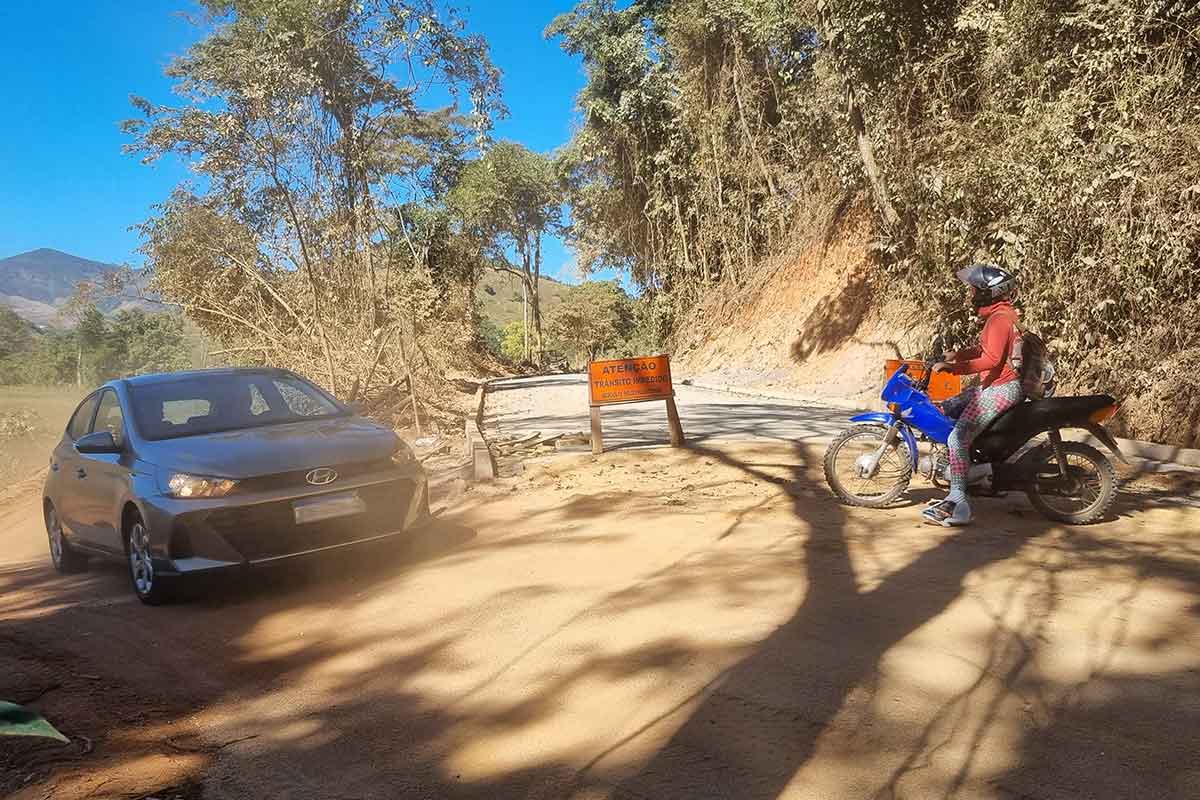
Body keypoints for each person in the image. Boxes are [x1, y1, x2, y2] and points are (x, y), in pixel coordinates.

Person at [922, 264, 1022, 527]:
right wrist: (955, 355)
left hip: (1002, 388)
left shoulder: (1000, 320)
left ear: (988, 293)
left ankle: (958, 500)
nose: (970, 295)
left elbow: (989, 359)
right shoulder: (999, 316)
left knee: (957, 438)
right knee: (948, 407)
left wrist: (954, 369)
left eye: (974, 290)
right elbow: (982, 349)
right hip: (992, 385)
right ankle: (968, 470)